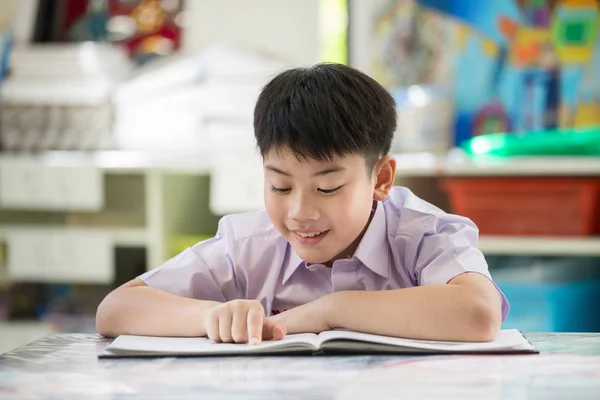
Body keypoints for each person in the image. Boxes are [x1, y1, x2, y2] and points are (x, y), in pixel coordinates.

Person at [96, 63, 508, 344]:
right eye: (279, 186)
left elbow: (478, 313)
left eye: (327, 188)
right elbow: (116, 309)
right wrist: (207, 317)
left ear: (380, 179)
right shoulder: (250, 245)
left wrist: (331, 310)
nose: (299, 213)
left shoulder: (423, 234)